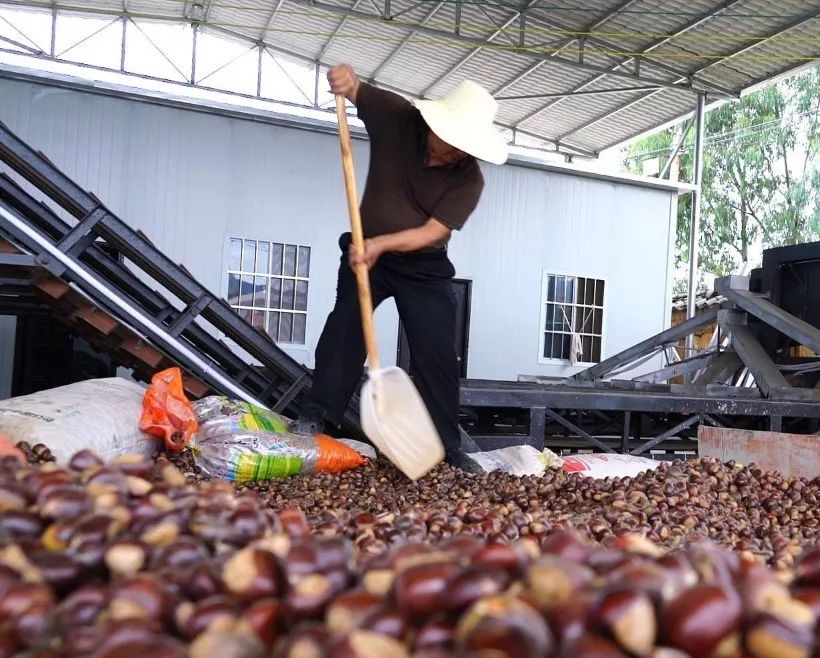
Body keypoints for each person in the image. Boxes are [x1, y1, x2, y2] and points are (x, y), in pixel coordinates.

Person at [291, 63, 508, 473]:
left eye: (464, 146)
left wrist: (380, 244)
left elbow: (431, 232)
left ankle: (447, 445)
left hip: (423, 267)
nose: (453, 152)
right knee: (345, 328)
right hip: (363, 253)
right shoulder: (397, 116)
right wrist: (343, 80)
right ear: (433, 123)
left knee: (437, 352)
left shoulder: (469, 180)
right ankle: (319, 416)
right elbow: (353, 86)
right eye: (450, 140)